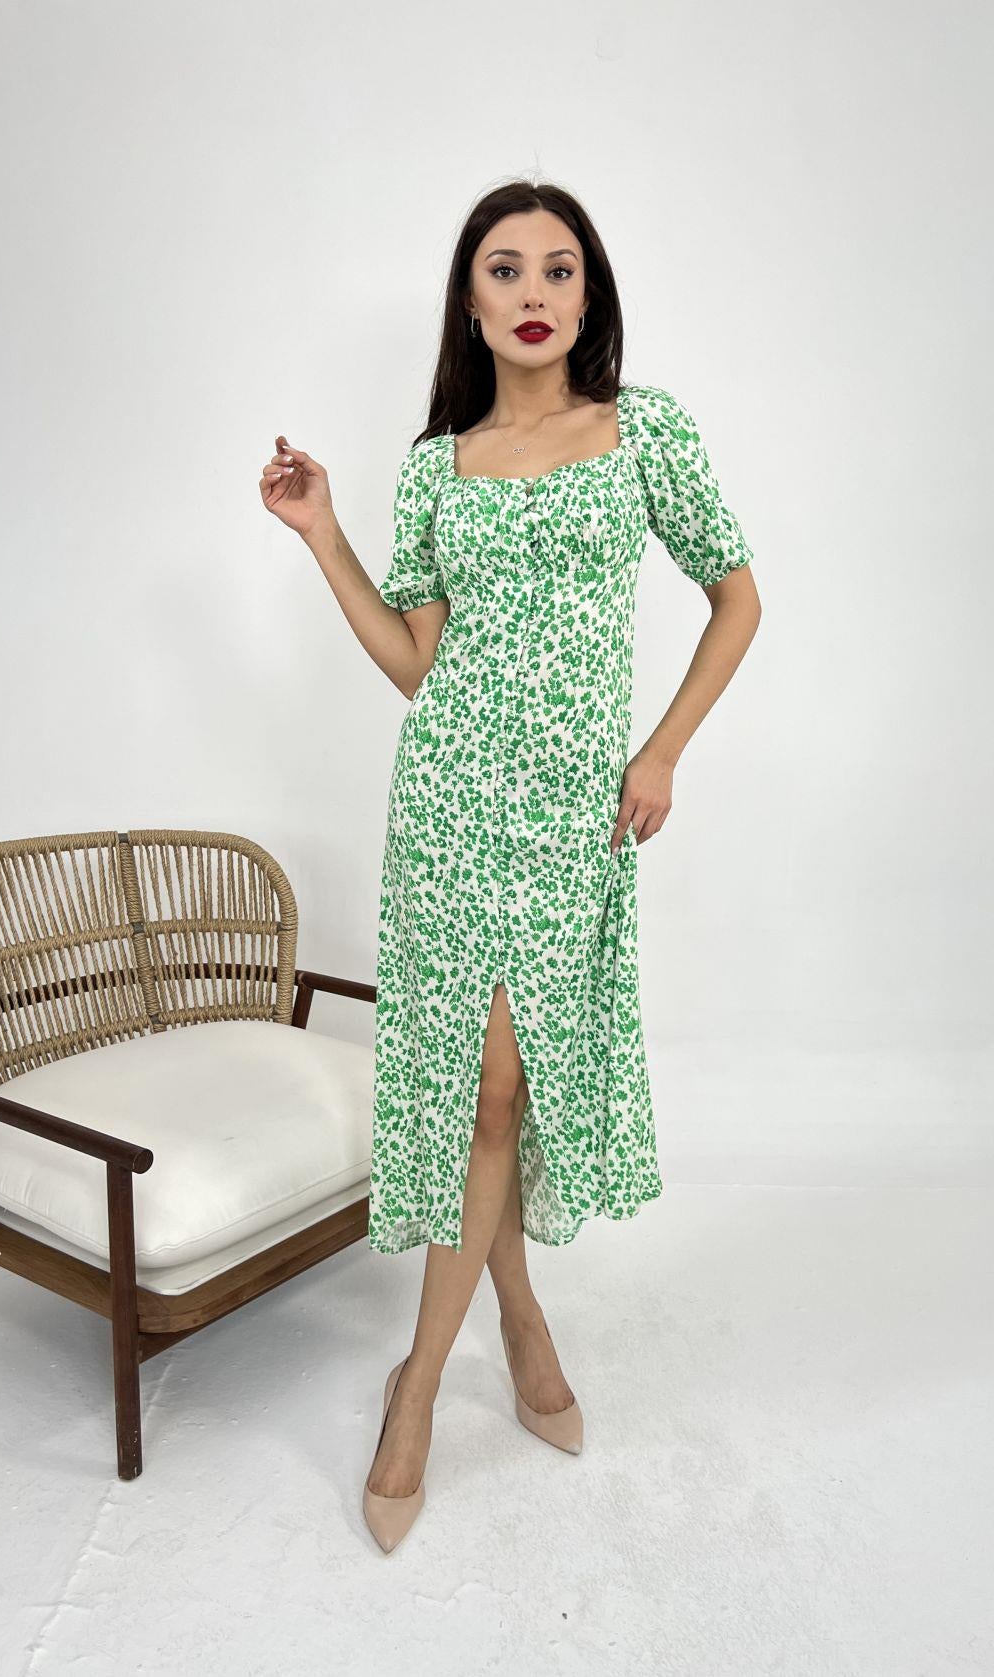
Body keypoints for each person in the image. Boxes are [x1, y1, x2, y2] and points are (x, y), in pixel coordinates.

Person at [258, 179, 762, 1553]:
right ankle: (446, 1368)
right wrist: (325, 535)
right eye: (503, 268)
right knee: (483, 1092)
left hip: (570, 813)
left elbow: (735, 598)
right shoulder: (437, 465)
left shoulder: (643, 430)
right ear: (469, 300)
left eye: (557, 267)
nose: (532, 290)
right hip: (448, 806)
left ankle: (477, 1340)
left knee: (511, 1087)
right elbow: (417, 665)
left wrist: (660, 753)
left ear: (587, 296)